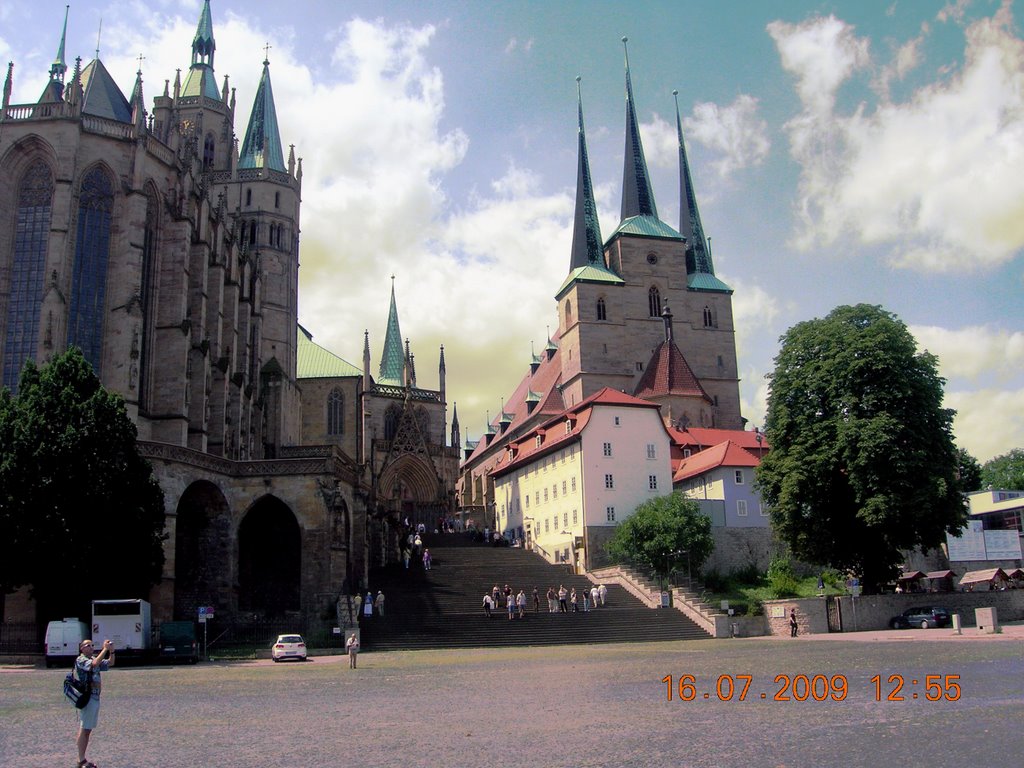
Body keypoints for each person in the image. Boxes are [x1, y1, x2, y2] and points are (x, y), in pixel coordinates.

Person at [74, 638, 115, 768]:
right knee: (84, 728)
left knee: (88, 729)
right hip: (88, 697)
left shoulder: (92, 658)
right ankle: (81, 760)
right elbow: (95, 663)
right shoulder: (81, 660)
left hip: (95, 697)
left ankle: (83, 759)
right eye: (88, 645)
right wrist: (105, 649)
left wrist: (112, 652)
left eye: (92, 645)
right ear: (82, 648)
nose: (91, 647)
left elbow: (110, 663)